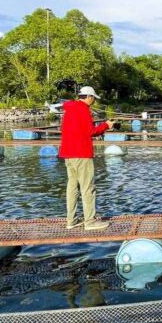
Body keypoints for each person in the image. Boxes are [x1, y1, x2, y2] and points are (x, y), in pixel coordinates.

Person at [59, 86, 117, 231]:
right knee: (87, 187)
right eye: (94, 98)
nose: (94, 101)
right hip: (81, 153)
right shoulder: (83, 109)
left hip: (68, 153)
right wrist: (106, 125)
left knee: (72, 187)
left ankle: (71, 221)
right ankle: (90, 222)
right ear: (89, 97)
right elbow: (90, 131)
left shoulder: (69, 108)